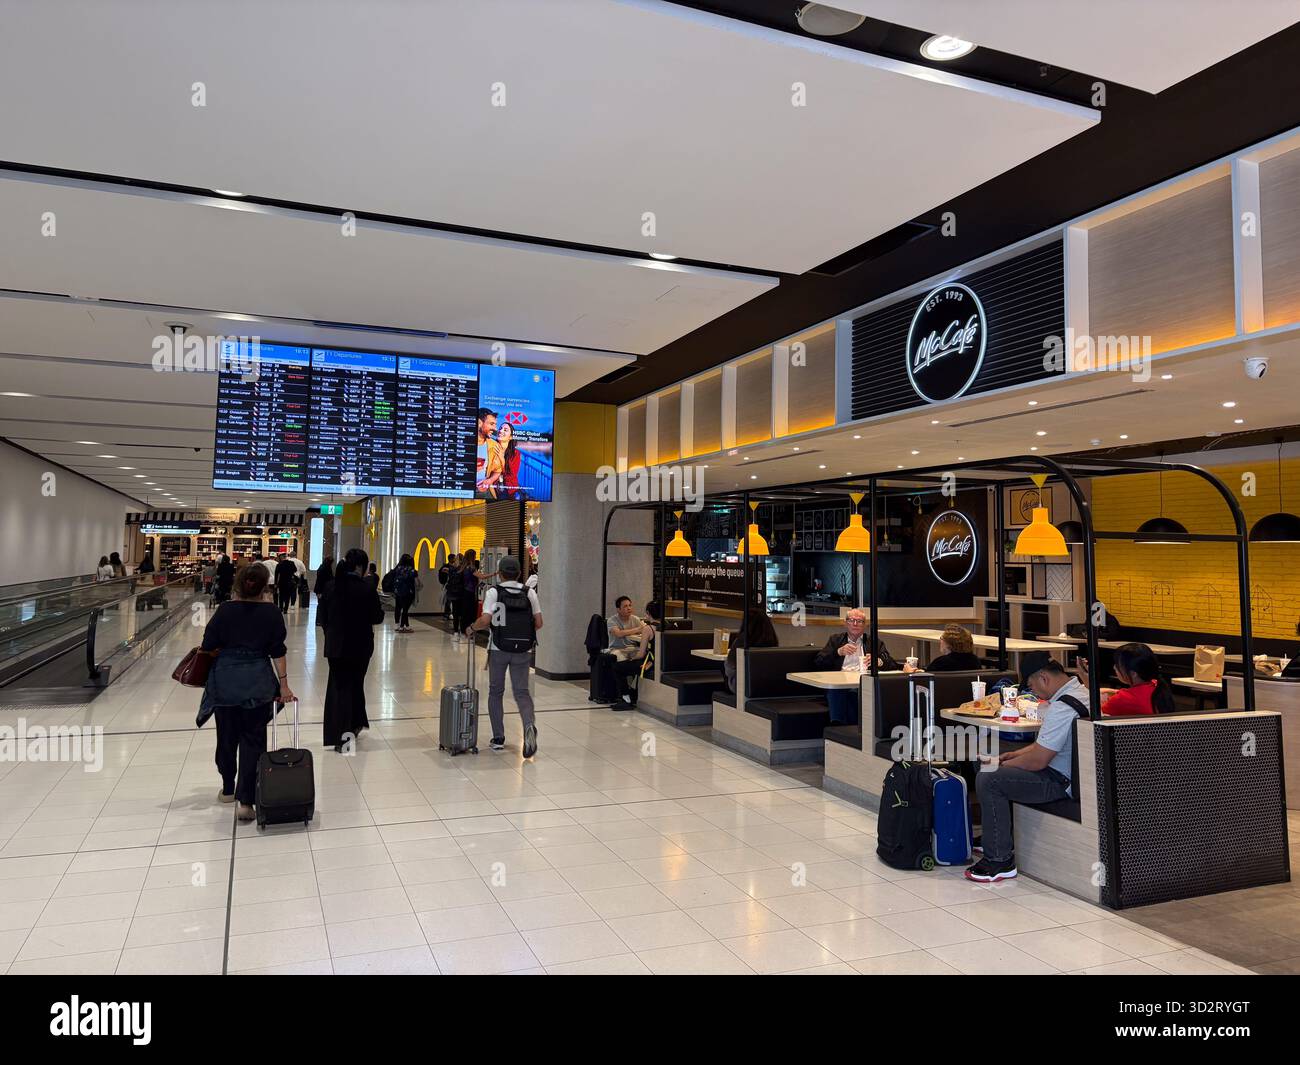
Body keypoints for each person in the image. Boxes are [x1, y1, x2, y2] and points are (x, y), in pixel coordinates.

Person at [965, 652, 1089, 882]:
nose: (1033, 693)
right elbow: (1043, 746)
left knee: (989, 777)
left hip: (1060, 781)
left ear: (1044, 678)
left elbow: (1038, 760)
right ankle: (998, 836)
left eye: (1032, 686)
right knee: (986, 764)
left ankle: (999, 860)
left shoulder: (1063, 707)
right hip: (1058, 771)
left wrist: (1001, 764)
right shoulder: (1078, 693)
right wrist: (1011, 755)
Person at [199, 562, 295, 823]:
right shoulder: (272, 613)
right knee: (253, 740)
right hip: (258, 683)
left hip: (226, 682)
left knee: (226, 737)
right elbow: (278, 651)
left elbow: (207, 644)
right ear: (265, 587)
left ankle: (228, 787)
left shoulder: (225, 611)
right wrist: (284, 685)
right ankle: (246, 801)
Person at [466, 555, 541, 756]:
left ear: (499, 573)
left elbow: (485, 619)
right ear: (518, 573)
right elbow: (539, 622)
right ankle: (528, 726)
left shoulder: (494, 592)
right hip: (523, 649)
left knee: (496, 692)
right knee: (522, 692)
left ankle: (498, 738)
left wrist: (472, 627)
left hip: (498, 648)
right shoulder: (529, 592)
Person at [322, 548, 384, 753]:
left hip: (336, 647)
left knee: (339, 689)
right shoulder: (366, 589)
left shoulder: (331, 587)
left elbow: (322, 618)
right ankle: (347, 736)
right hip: (360, 647)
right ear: (360, 566)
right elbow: (377, 617)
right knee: (354, 686)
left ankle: (348, 728)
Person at [813, 609, 900, 724]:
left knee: (857, 692)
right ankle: (838, 728)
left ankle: (857, 731)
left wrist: (877, 661)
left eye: (859, 621)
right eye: (852, 620)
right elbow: (819, 662)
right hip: (839, 680)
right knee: (836, 690)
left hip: (862, 682)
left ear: (865, 625)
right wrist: (838, 652)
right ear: (845, 623)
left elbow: (891, 663)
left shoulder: (873, 642)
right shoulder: (836, 640)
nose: (855, 624)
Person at [1078, 642, 1172, 716]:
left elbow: (1095, 714)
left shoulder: (1123, 699)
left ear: (1133, 674)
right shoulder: (1156, 684)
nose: (1114, 667)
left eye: (1118, 666)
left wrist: (1089, 684)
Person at [607, 595, 653, 705]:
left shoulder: (635, 619)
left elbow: (644, 630)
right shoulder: (612, 620)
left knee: (643, 660)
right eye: (625, 606)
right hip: (618, 648)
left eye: (630, 605)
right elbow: (618, 634)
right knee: (620, 660)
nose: (629, 608)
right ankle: (624, 693)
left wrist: (641, 630)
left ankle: (633, 691)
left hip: (633, 648)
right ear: (618, 609)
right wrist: (638, 629)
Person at [725, 608, 779, 692]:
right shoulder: (771, 639)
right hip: (768, 683)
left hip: (741, 685)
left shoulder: (742, 640)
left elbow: (729, 667)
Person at [903, 624, 983, 673]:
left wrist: (909, 674)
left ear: (948, 644)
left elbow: (926, 682)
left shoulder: (941, 663)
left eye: (942, 638)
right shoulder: (975, 661)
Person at [391, 553, 421, 633]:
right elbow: (417, 583)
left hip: (398, 591)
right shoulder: (412, 571)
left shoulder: (398, 569)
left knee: (398, 607)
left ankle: (401, 625)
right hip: (408, 592)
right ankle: (401, 627)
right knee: (405, 609)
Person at [475, 408, 502, 495]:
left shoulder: (494, 445)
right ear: (479, 423)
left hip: (484, 491)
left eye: (495, 425)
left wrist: (489, 481)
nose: (495, 428)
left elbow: (498, 470)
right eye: (491, 424)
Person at [496, 421, 522, 499]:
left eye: (505, 430)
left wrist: (501, 458)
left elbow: (512, 475)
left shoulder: (515, 453)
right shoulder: (492, 448)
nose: (501, 431)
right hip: (493, 486)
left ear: (511, 437)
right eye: (500, 428)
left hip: (509, 488)